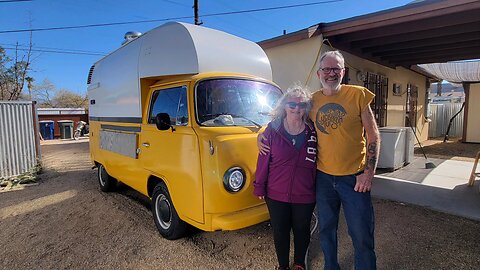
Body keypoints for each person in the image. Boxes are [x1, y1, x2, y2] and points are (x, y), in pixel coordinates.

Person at [259, 51, 380, 270]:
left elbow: (373, 134)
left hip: (354, 178)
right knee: (326, 232)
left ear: (344, 72)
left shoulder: (359, 95)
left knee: (361, 234)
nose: (331, 73)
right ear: (319, 73)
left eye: (336, 69)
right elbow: (283, 117)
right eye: (326, 69)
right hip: (323, 178)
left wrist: (369, 173)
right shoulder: (311, 101)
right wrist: (261, 134)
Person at [254, 86, 318, 270]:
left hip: (305, 194)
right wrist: (259, 186)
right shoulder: (272, 130)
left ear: (307, 107)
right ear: (284, 105)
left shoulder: (314, 131)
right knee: (280, 232)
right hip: (276, 194)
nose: (296, 108)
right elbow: (263, 161)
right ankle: (283, 266)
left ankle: (299, 264)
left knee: (302, 230)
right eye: (292, 103)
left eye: (302, 104)